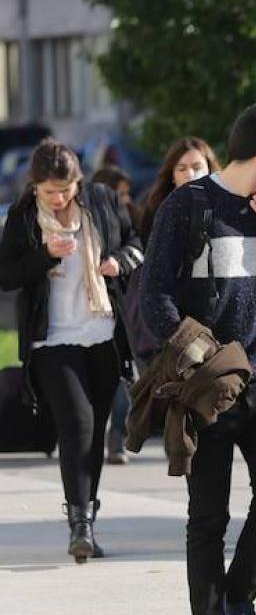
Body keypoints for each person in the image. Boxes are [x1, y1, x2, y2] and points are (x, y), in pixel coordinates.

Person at [141, 101, 256, 615]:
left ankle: (239, 597)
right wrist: (198, 360)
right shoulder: (187, 207)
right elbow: (155, 295)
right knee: (209, 513)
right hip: (207, 385)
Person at [0, 138, 140, 563]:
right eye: (49, 192)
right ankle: (78, 523)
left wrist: (118, 262)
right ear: (35, 187)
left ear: (79, 181)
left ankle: (88, 521)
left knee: (94, 430)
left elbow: (136, 243)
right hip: (51, 339)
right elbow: (6, 277)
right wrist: (44, 255)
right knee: (76, 423)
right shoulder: (24, 217)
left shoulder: (101, 201)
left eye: (66, 189)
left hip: (102, 333)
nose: (59, 199)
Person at [90, 165, 142, 466]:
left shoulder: (132, 214)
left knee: (126, 378)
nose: (124, 199)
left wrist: (119, 262)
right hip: (100, 308)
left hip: (128, 306)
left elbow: (137, 247)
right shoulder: (90, 216)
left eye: (126, 193)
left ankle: (117, 437)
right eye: (118, 193)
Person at [138, 137, 220, 243]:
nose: (190, 175)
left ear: (209, 170)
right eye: (182, 169)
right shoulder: (157, 207)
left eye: (197, 168)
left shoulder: (224, 204)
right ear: (172, 176)